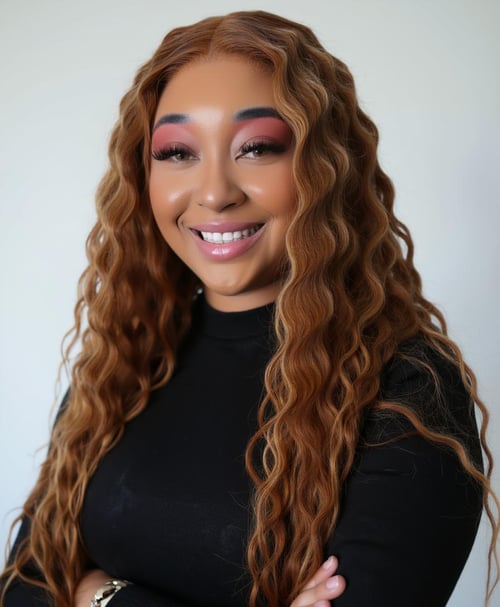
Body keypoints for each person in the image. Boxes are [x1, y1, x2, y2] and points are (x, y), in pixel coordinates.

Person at [0, 9, 498, 607]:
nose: (215, 193)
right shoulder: (126, 358)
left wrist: (91, 592)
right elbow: (24, 585)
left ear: (327, 166)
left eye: (257, 147)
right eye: (177, 152)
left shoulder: (407, 387)